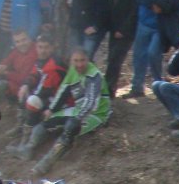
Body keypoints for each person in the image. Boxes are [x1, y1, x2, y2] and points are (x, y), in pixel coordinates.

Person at [17, 47, 110, 175]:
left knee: (71, 126)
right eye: (76, 61)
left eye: (82, 60)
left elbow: (91, 103)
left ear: (88, 60)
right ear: (71, 61)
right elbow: (63, 90)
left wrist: (77, 119)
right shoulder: (72, 70)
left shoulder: (94, 75)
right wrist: (51, 109)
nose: (79, 64)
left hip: (96, 114)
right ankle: (28, 148)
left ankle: (46, 163)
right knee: (47, 121)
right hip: (77, 109)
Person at [7, 34, 66, 153]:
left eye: (46, 47)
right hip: (50, 97)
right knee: (25, 91)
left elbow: (43, 91)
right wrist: (25, 85)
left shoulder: (54, 65)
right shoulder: (42, 60)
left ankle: (27, 144)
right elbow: (33, 75)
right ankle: (21, 126)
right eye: (40, 47)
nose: (43, 51)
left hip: (60, 102)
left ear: (52, 48)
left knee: (32, 100)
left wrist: (28, 93)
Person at [105, 0, 138, 98]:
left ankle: (108, 91)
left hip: (126, 31)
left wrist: (123, 30)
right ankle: (108, 89)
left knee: (115, 59)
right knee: (112, 59)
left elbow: (134, 11)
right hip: (113, 28)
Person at [0, 30, 38, 105]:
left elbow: (23, 78)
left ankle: (15, 106)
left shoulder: (34, 51)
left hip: (30, 88)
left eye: (23, 40)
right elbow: (8, 60)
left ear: (29, 38)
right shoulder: (17, 50)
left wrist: (6, 73)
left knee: (2, 85)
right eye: (17, 42)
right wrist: (1, 66)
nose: (21, 44)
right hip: (17, 83)